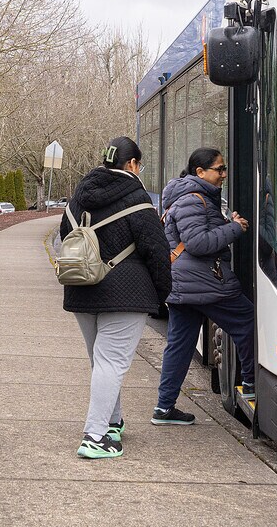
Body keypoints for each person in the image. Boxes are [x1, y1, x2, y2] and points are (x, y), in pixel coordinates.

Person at [61, 137, 173, 460]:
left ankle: (113, 421)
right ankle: (95, 437)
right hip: (126, 295)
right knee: (111, 362)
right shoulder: (137, 199)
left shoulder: (79, 197)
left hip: (81, 289)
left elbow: (64, 236)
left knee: (102, 361)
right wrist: (160, 296)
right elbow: (157, 252)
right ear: (133, 165)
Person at [155, 147, 256, 422]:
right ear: (200, 172)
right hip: (205, 283)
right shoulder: (193, 200)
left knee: (179, 345)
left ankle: (164, 408)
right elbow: (199, 243)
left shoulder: (190, 197)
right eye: (219, 169)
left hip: (185, 284)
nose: (224, 174)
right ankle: (251, 385)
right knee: (246, 320)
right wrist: (235, 228)